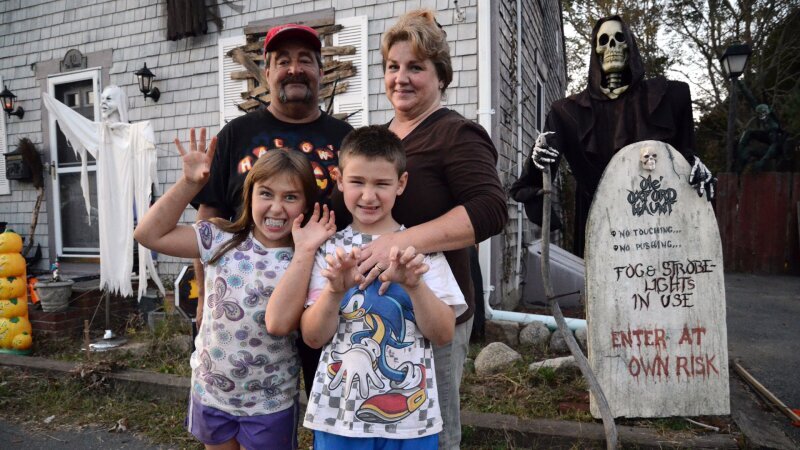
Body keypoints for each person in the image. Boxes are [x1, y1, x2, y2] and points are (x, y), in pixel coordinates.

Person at [328, 10, 507, 449]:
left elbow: (489, 210)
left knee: (431, 431)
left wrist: (400, 241)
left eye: (416, 67)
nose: (401, 78)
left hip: (431, 312)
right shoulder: (379, 139)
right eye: (393, 66)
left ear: (441, 75)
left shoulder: (456, 134)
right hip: (368, 313)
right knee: (375, 425)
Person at [134, 129, 336, 450]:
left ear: (306, 203)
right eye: (266, 193)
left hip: (269, 402)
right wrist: (189, 184)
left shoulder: (308, 258)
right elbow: (148, 234)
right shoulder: (220, 238)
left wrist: (305, 251)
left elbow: (284, 324)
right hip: (211, 392)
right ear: (249, 195)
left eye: (290, 197)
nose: (276, 208)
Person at [194, 23, 354, 400]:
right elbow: (208, 213)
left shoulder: (345, 139)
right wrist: (201, 296)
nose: (294, 69)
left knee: (330, 400)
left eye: (305, 60)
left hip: (324, 299)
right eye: (283, 61)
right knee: (253, 398)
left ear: (321, 71)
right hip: (245, 305)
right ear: (267, 73)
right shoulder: (235, 134)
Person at [300, 125, 467, 449]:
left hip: (412, 421)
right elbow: (313, 337)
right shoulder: (328, 251)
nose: (368, 196)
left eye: (381, 184)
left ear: (400, 184)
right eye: (357, 182)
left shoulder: (422, 251)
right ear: (339, 179)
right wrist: (334, 292)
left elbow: (443, 334)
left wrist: (415, 286)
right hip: (338, 419)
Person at [513, 15, 716, 257]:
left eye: (619, 39)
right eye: (604, 41)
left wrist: (695, 167)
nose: (612, 47)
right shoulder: (569, 112)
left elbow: (686, 157)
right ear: (596, 51)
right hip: (603, 226)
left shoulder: (666, 97)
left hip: (660, 225)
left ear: (630, 47)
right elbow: (536, 179)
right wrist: (538, 160)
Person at [41, 86, 163, 299]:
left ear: (120, 102)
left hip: (129, 193)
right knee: (111, 230)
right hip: (109, 195)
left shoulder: (135, 132)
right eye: (101, 98)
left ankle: (131, 276)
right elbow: (76, 122)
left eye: (109, 98)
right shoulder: (99, 133)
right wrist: (55, 105)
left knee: (132, 230)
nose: (103, 102)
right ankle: (115, 278)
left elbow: (146, 140)